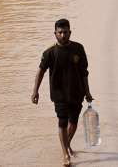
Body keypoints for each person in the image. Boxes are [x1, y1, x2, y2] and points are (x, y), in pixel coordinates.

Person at [32, 18, 92, 166]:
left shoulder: (79, 49)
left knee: (74, 122)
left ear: (70, 32)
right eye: (60, 32)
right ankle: (65, 154)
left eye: (66, 32)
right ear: (55, 33)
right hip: (59, 94)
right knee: (62, 122)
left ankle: (66, 144)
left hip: (77, 92)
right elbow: (40, 72)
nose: (63, 35)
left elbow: (84, 72)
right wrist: (35, 91)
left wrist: (88, 92)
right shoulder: (49, 53)